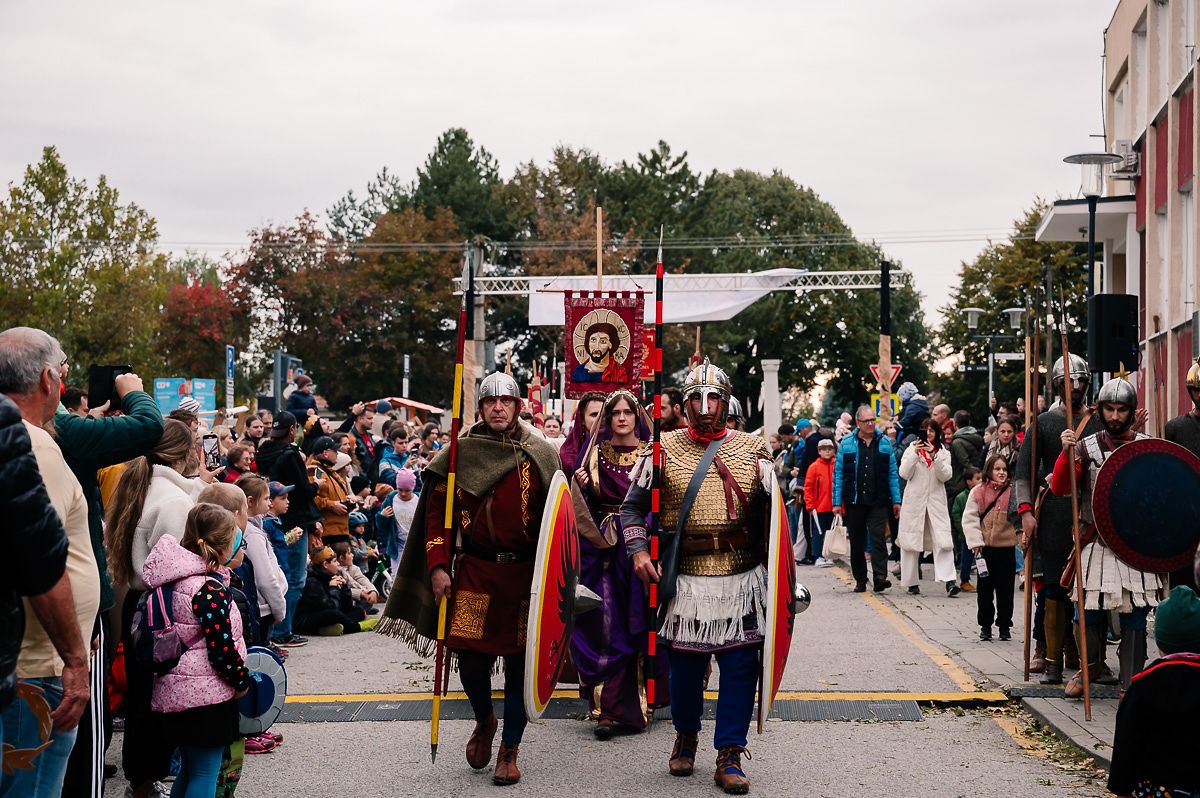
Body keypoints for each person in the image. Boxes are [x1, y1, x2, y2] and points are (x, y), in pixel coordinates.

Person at [378, 371, 560, 786]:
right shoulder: (458, 454)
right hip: (476, 570)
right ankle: (484, 718)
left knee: (519, 667)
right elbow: (436, 518)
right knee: (471, 660)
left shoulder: (540, 452)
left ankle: (510, 748)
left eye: (506, 401)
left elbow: (560, 518)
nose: (498, 408)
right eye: (490, 401)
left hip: (526, 578)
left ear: (518, 406)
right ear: (480, 409)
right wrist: (438, 566)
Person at [620, 358, 772, 794]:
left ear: (725, 402)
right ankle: (686, 735)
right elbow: (631, 510)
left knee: (740, 667)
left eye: (713, 399)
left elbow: (772, 518)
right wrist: (637, 550)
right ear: (685, 404)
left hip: (742, 576)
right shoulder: (661, 449)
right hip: (686, 577)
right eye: (697, 399)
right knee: (685, 668)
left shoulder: (755, 449)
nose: (705, 408)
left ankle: (730, 753)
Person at [50, 358, 164, 798]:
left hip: (39, 596)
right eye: (61, 367)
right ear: (47, 380)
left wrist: (92, 417)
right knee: (83, 717)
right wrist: (132, 390)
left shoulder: (31, 434)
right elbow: (147, 427)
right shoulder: (62, 432)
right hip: (77, 598)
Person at [0, 329, 97, 798]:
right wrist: (74, 658)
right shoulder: (32, 445)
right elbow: (40, 561)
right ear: (46, 379)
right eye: (62, 371)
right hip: (38, 670)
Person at [104, 418, 201, 798]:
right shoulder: (174, 501)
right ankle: (151, 778)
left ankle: (140, 780)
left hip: (137, 603)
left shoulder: (137, 489)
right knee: (163, 698)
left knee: (142, 697)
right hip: (165, 605)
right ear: (181, 454)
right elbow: (179, 562)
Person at [1050, 376, 1163, 697]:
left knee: (1135, 613)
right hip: (1094, 539)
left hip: (1135, 544)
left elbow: (1160, 496)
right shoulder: (1084, 446)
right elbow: (1061, 487)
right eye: (1109, 409)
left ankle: (1131, 681)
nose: (1114, 416)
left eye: (1121, 409)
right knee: (1087, 611)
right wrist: (1065, 454)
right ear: (1100, 410)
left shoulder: (1146, 446)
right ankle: (1090, 668)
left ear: (1131, 411)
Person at [569, 390, 663, 739]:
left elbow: (660, 500)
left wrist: (648, 538)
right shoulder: (594, 454)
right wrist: (582, 486)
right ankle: (607, 709)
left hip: (642, 549)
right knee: (606, 626)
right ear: (608, 419)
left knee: (641, 622)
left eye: (628, 412)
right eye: (615, 413)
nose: (622, 418)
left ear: (637, 416)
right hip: (603, 551)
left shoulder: (653, 453)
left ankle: (642, 702)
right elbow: (579, 506)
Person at [142, 503, 250, 798]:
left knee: (190, 769)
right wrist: (241, 680)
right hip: (206, 696)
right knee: (205, 772)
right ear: (224, 547)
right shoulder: (208, 589)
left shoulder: (175, 577)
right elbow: (221, 648)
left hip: (175, 692)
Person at [1013, 354, 1101, 686]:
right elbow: (1023, 473)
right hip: (1052, 513)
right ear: (1057, 385)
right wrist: (1026, 513)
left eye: (1080, 381)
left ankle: (1088, 660)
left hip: (1087, 515)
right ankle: (1051, 661)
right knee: (1053, 588)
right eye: (1068, 381)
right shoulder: (1044, 423)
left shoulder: (1098, 422)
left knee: (1089, 590)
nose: (1075, 387)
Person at [1108, 584, 1200, 797]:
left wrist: (1121, 786)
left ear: (1161, 642)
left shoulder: (1144, 685)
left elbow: (1126, 741)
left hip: (1157, 787)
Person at [256, 411, 321, 648]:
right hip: (294, 520)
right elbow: (302, 491)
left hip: (272, 518)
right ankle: (284, 630)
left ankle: (277, 629)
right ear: (292, 429)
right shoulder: (290, 454)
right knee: (294, 578)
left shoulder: (263, 452)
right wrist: (316, 485)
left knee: (278, 574)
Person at [833, 406, 902, 594]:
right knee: (857, 541)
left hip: (879, 500)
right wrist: (836, 503)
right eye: (866, 421)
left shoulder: (884, 443)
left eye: (873, 420)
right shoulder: (847, 443)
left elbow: (892, 474)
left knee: (878, 538)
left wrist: (896, 501)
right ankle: (860, 579)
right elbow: (838, 474)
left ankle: (880, 577)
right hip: (854, 501)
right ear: (858, 423)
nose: (871, 424)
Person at [896, 419, 957, 596]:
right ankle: (911, 582)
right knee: (910, 542)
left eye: (932, 430)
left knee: (943, 541)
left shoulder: (943, 452)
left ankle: (950, 581)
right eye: (925, 430)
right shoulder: (911, 449)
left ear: (937, 433)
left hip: (935, 503)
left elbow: (946, 475)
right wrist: (916, 454)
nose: (928, 434)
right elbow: (904, 473)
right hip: (915, 502)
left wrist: (934, 457)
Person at [963, 455, 1018, 640]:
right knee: (985, 590)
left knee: (1006, 590)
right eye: (997, 469)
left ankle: (1004, 625)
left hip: (1007, 549)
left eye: (1004, 469)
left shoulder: (1013, 492)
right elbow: (970, 519)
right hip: (984, 550)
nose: (1001, 473)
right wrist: (976, 543)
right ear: (989, 470)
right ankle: (985, 625)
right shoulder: (978, 492)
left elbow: (1019, 518)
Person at [1163, 357, 1200, 590]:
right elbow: (1168, 478)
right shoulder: (1175, 428)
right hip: (1184, 521)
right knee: (1184, 591)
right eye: (1198, 390)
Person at [310, 436, 353, 547]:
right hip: (329, 533)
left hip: (340, 530)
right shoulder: (316, 472)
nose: (337, 453)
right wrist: (332, 505)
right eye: (335, 451)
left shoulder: (329, 471)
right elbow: (311, 499)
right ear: (325, 453)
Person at [804, 437, 837, 567]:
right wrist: (810, 505)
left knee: (832, 533)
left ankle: (829, 555)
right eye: (824, 449)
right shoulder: (814, 467)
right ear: (819, 451)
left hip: (834, 506)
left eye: (829, 449)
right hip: (819, 507)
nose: (827, 451)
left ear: (833, 450)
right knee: (818, 532)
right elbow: (808, 488)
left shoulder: (837, 465)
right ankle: (818, 556)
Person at [559, 390, 607, 473]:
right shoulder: (568, 455)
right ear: (582, 420)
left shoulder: (621, 448)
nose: (600, 419)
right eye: (594, 414)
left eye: (604, 415)